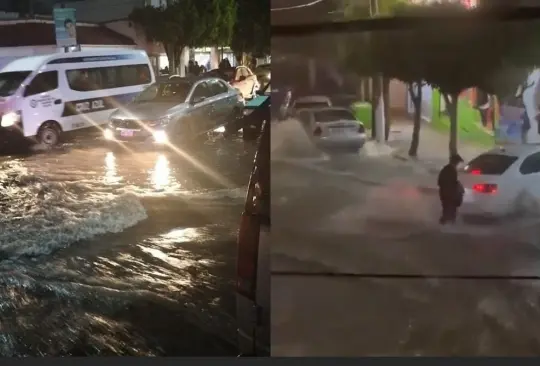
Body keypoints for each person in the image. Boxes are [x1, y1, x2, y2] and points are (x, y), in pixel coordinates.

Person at [437, 154, 465, 225]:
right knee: (449, 211)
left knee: (448, 211)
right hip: (449, 195)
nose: (458, 164)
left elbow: (440, 182)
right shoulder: (450, 169)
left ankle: (445, 226)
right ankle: (445, 227)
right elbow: (451, 183)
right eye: (457, 162)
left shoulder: (448, 169)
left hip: (446, 194)